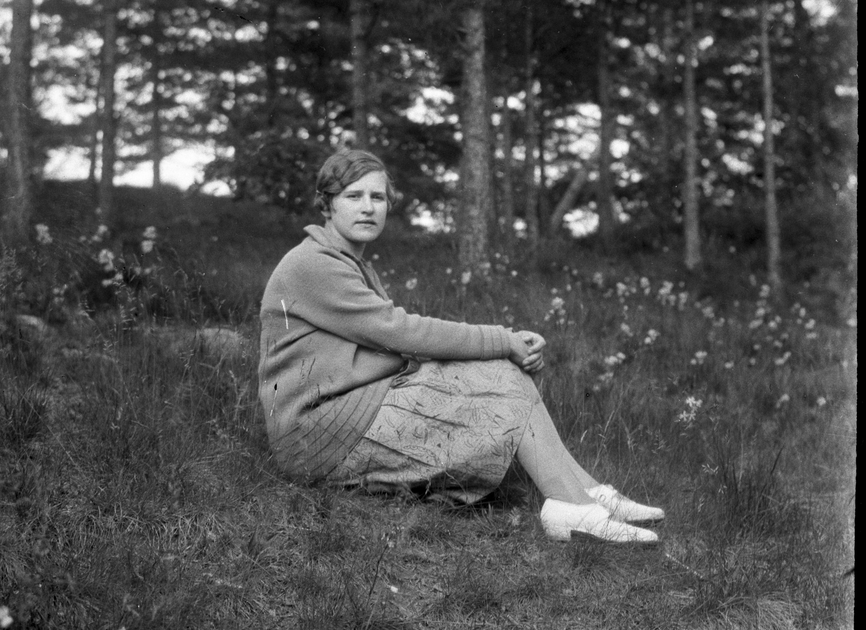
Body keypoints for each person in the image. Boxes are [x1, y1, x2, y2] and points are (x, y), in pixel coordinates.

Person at [259, 149, 663, 544]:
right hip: (317, 437)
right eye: (353, 196)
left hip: (345, 414)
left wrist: (503, 347)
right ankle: (572, 505)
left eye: (377, 197)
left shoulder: (347, 261)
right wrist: (502, 340)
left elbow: (390, 341)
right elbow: (399, 332)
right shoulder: (313, 264)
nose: (368, 208)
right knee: (501, 372)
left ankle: (585, 494)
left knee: (504, 370)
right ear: (327, 205)